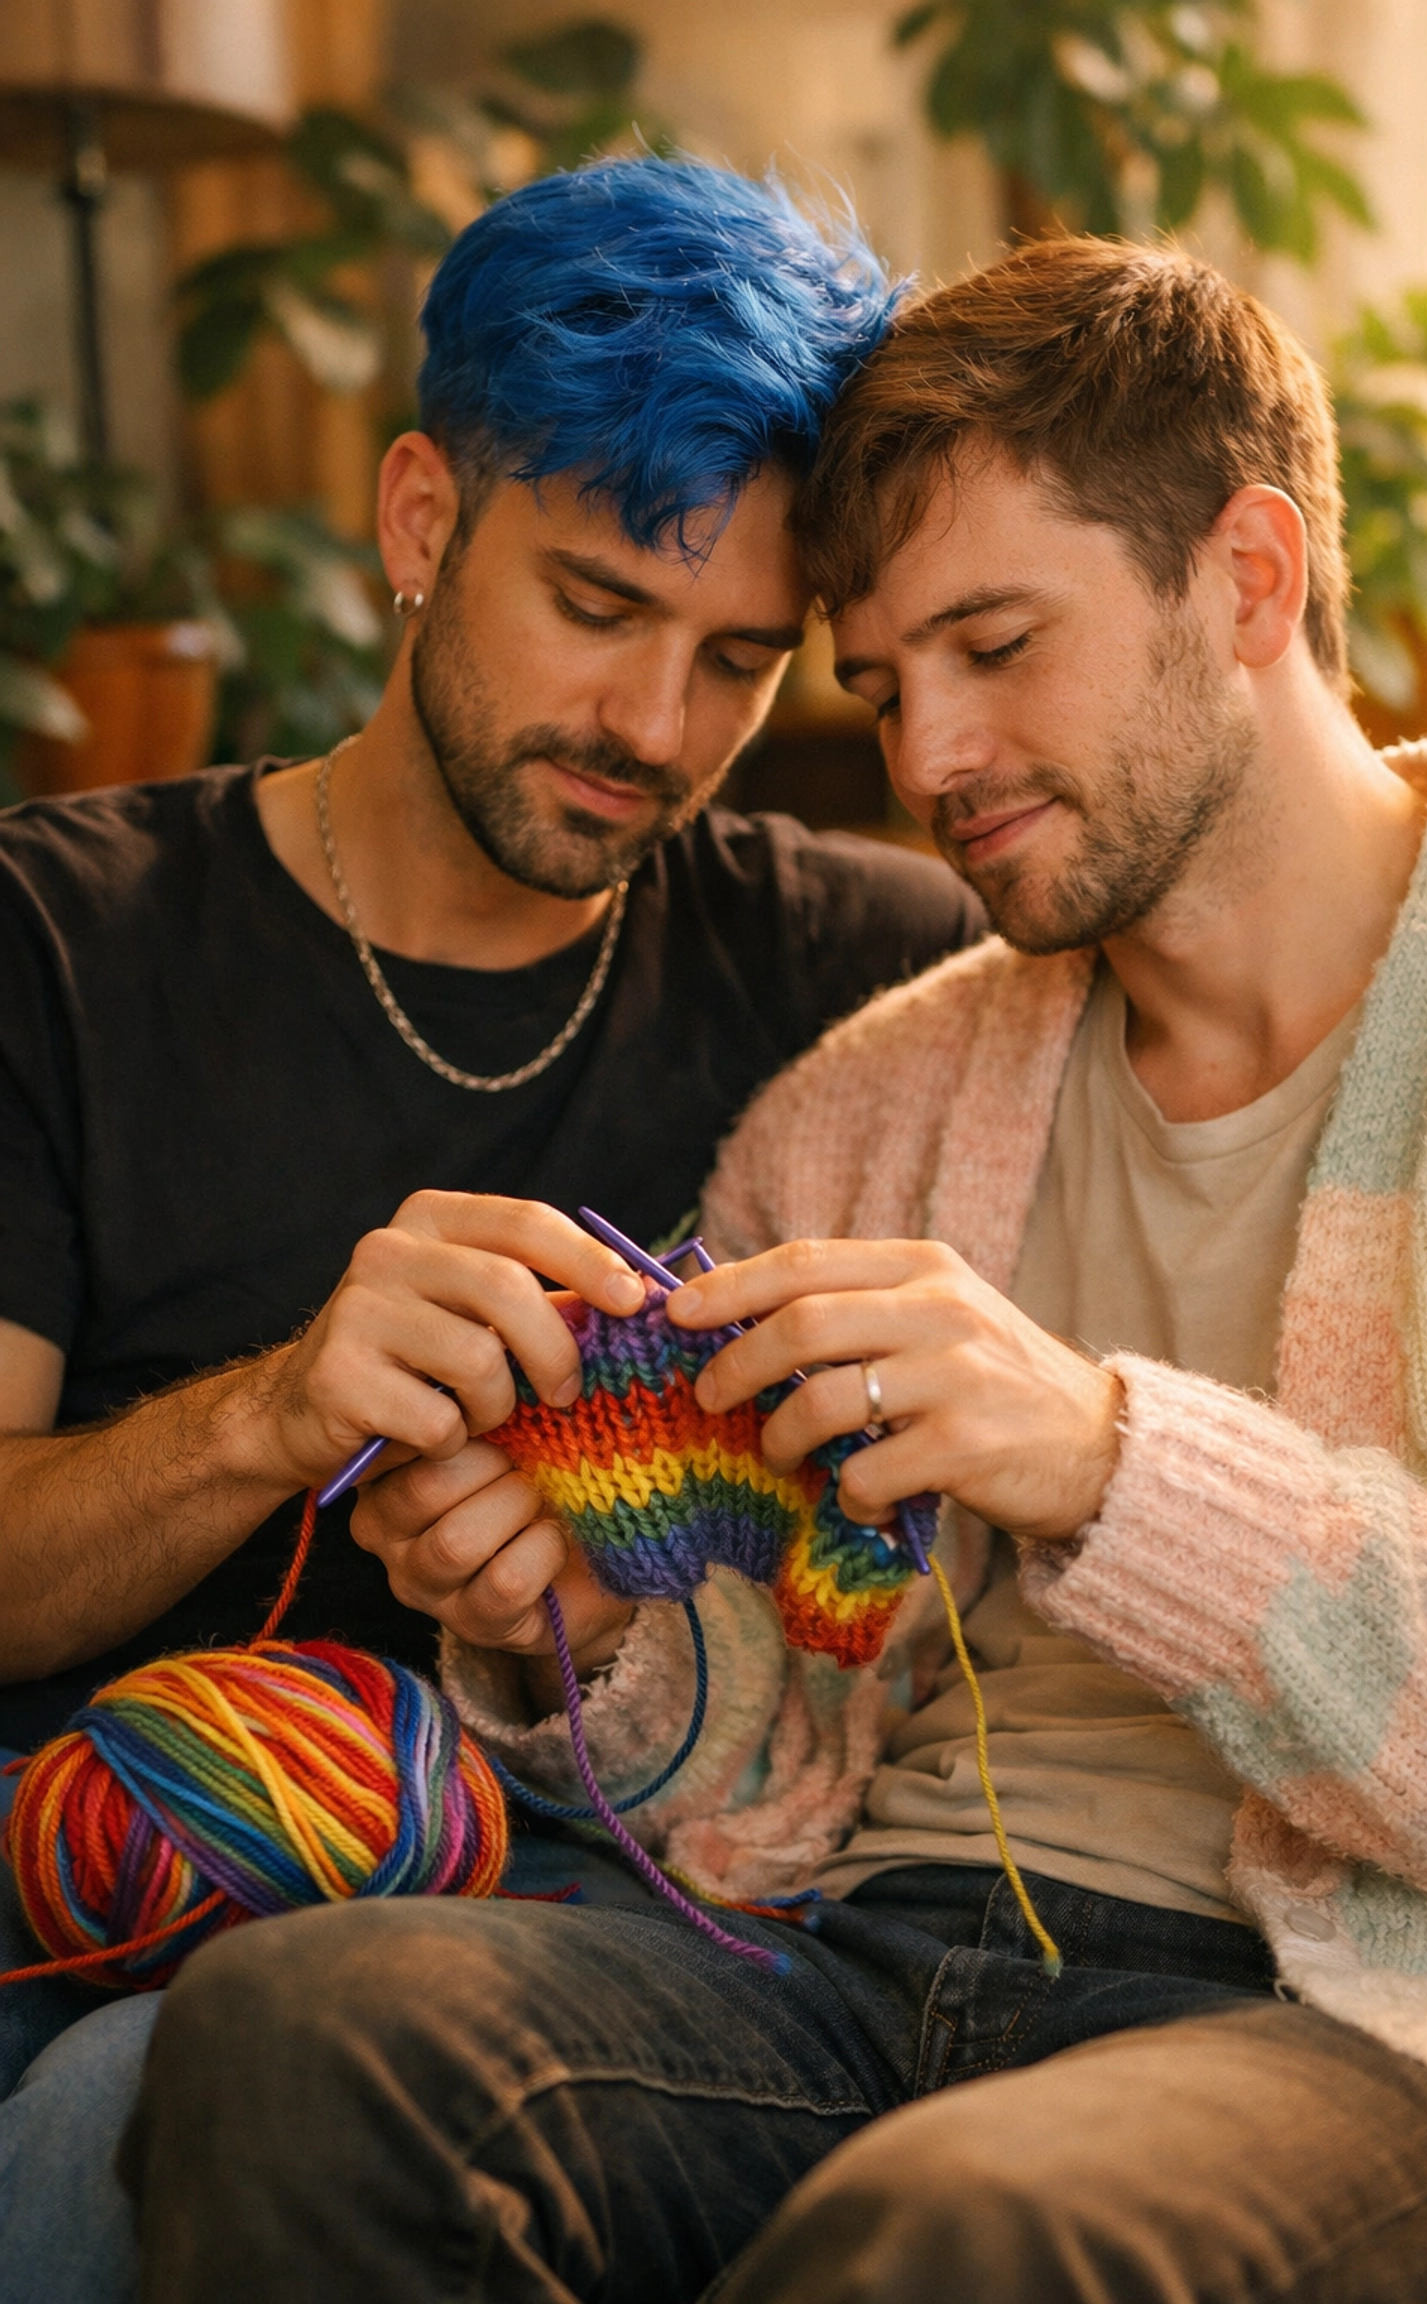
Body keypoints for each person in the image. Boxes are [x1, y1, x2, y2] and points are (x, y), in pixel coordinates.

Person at [122, 237, 1427, 2302]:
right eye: (878, 681)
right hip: (858, 1970)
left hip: (1344, 2022)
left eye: (995, 644)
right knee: (301, 2033)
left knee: (968, 2230)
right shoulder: (872, 1101)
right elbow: (751, 1750)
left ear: (1248, 579)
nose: (929, 762)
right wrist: (581, 1622)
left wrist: (1108, 1455)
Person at [0, 156, 986, 2293]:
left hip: (622, 1925)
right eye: (601, 608)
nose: (659, 730)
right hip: (122, 1882)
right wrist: (263, 1418)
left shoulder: (878, 978)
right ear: (423, 524)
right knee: (102, 2106)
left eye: (741, 658)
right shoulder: (57, 942)